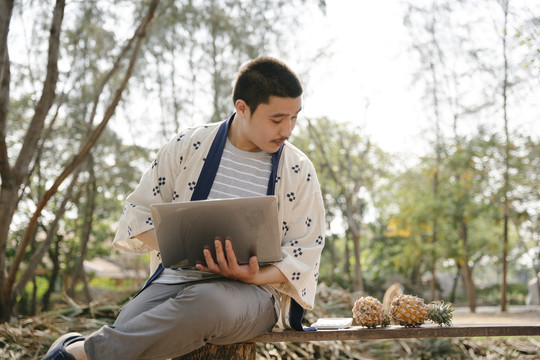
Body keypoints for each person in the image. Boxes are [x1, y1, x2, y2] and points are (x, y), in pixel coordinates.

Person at [43, 56, 325, 360]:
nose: (288, 129)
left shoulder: (299, 170)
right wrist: (183, 247)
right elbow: (138, 213)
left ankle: (75, 353)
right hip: (176, 279)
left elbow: (306, 252)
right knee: (130, 323)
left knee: (206, 304)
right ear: (242, 108)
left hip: (254, 295)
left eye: (294, 117)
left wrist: (252, 275)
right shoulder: (188, 145)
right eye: (277, 119)